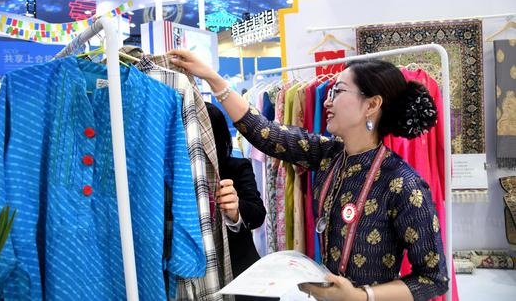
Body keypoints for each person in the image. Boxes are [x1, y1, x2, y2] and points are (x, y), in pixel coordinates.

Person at [171, 49, 449, 301]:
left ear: (372, 104)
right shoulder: (329, 155)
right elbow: (265, 133)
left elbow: (434, 278)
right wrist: (212, 78)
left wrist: (362, 297)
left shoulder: (404, 184)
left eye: (338, 92)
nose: (327, 102)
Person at [206, 102, 269, 301]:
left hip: (240, 270)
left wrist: (235, 211)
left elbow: (258, 214)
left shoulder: (236, 167)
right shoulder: (173, 175)